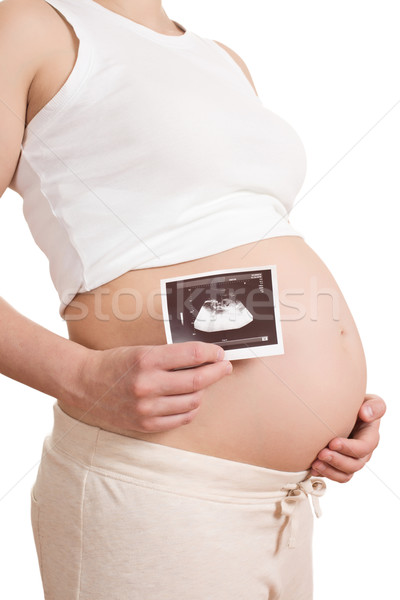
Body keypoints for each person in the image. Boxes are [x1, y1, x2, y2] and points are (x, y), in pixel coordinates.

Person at [0, 0, 386, 598]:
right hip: (156, 487)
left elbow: (237, 236)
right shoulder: (29, 25)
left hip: (284, 504)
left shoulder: (221, 59)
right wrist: (77, 376)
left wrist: (330, 409)